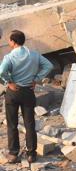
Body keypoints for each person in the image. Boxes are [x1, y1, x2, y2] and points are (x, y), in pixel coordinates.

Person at [0, 30, 53, 164]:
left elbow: (1, 72)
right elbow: (49, 66)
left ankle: (13, 154)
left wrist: (9, 83)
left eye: (9, 40)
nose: (8, 42)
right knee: (30, 124)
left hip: (13, 93)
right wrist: (37, 79)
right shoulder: (34, 55)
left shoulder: (9, 57)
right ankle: (31, 154)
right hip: (28, 91)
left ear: (13, 42)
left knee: (12, 124)